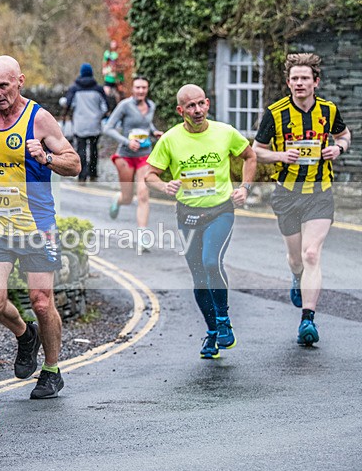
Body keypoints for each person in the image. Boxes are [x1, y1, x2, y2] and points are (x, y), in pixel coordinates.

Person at [0, 55, 81, 398]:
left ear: (20, 81)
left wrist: (47, 157)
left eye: (3, 85)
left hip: (36, 226)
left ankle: (51, 370)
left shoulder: (40, 119)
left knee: (42, 301)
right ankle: (24, 334)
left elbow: (75, 163)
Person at [145, 84, 257, 359]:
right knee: (198, 278)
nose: (197, 111)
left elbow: (250, 156)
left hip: (220, 210)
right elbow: (150, 174)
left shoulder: (225, 132)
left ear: (207, 103)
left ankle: (223, 320)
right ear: (180, 110)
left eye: (200, 104)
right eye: (190, 106)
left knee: (211, 262)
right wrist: (165, 186)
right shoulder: (170, 139)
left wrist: (244, 188)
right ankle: (212, 332)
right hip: (187, 215)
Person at [251, 53, 351, 347]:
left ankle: (308, 319)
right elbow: (256, 150)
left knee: (311, 255)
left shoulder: (329, 110)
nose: (299, 83)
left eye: (305, 78)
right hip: (287, 194)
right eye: (294, 78)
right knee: (296, 259)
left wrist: (339, 148)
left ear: (315, 82)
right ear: (288, 82)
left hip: (320, 192)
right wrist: (280, 155)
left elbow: (345, 135)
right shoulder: (275, 112)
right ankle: (296, 278)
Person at [103, 75, 164, 251]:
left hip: (145, 155)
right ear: (132, 89)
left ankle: (143, 238)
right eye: (137, 88)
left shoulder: (151, 106)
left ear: (147, 89)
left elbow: (146, 125)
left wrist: (154, 133)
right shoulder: (124, 106)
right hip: (125, 155)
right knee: (128, 198)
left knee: (144, 194)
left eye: (144, 88)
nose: (141, 91)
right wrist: (126, 141)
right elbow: (108, 128)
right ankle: (118, 199)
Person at [61, 63, 109, 181]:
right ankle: (93, 174)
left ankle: (82, 175)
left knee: (81, 149)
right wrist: (98, 116)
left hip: (80, 124)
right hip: (95, 124)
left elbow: (68, 104)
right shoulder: (98, 89)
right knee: (94, 149)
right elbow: (105, 107)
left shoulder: (74, 88)